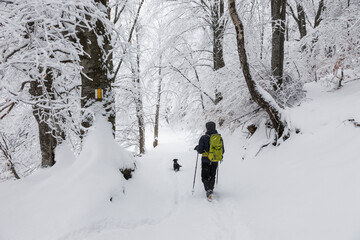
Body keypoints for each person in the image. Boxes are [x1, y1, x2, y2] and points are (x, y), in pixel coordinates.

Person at [195, 121, 224, 200]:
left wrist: (197, 148)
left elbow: (200, 150)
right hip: (215, 160)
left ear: (207, 127)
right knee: (212, 175)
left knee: (204, 176)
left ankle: (208, 189)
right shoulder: (219, 138)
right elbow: (222, 150)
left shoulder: (204, 137)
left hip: (205, 160)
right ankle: (211, 188)